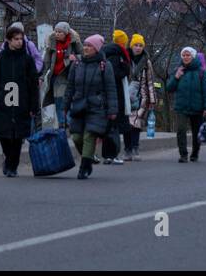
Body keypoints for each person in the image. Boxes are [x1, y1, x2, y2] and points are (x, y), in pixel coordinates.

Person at [0, 23, 40, 177]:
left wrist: (33, 106)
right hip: (5, 100)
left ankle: (12, 165)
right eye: (16, 39)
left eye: (21, 39)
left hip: (22, 101)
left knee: (17, 136)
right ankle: (8, 158)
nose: (19, 42)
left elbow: (33, 85)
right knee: (4, 133)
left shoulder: (27, 60)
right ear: (8, 40)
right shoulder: (0, 58)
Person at [65, 34, 117, 178]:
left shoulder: (105, 66)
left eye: (90, 46)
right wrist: (65, 106)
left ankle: (84, 167)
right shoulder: (77, 64)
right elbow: (70, 87)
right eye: (85, 45)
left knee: (89, 136)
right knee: (76, 137)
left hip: (97, 107)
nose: (86, 48)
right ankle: (89, 157)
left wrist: (112, 111)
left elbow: (111, 89)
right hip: (78, 106)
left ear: (97, 49)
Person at [168, 45, 206, 161]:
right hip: (181, 107)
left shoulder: (201, 72)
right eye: (184, 55)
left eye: (188, 55)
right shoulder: (178, 70)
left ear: (193, 57)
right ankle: (183, 154)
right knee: (181, 130)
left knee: (196, 132)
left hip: (198, 108)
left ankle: (195, 153)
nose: (186, 57)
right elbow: (169, 88)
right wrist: (176, 77)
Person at [100, 30, 132, 164]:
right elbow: (117, 73)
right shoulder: (117, 54)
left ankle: (108, 155)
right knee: (114, 126)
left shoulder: (107, 52)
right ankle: (112, 155)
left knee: (111, 125)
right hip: (116, 94)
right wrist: (125, 68)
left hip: (110, 93)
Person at [124, 33, 156, 159]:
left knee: (136, 123)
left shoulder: (146, 62)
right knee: (127, 124)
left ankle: (135, 148)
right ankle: (127, 149)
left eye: (140, 45)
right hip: (126, 94)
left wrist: (152, 99)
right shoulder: (126, 59)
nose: (138, 48)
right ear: (131, 46)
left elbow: (150, 81)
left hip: (141, 96)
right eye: (136, 45)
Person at [45, 22, 82, 126]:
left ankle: (68, 124)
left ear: (66, 33)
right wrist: (42, 75)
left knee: (64, 101)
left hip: (67, 77)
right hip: (55, 77)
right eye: (56, 31)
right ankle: (63, 124)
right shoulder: (52, 42)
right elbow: (46, 61)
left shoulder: (74, 42)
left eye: (60, 32)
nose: (57, 34)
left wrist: (75, 58)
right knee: (58, 101)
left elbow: (83, 55)